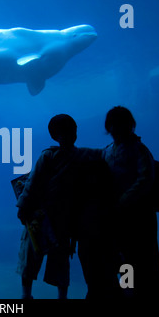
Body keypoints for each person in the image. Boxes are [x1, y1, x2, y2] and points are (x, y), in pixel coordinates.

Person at [16, 114, 121, 299]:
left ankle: (35, 296)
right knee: (45, 260)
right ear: (55, 135)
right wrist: (24, 205)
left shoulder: (68, 155)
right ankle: (34, 296)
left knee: (48, 259)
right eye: (66, 132)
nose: (70, 135)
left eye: (72, 131)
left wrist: (22, 207)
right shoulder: (55, 155)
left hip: (53, 220)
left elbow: (32, 183)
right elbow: (33, 183)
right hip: (49, 219)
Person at [103, 106, 159, 299]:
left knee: (146, 260)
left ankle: (151, 295)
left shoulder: (139, 150)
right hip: (119, 217)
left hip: (140, 216)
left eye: (118, 124)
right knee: (124, 257)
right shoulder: (107, 152)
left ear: (129, 126)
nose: (115, 129)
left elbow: (145, 179)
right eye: (112, 125)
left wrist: (122, 201)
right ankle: (128, 293)